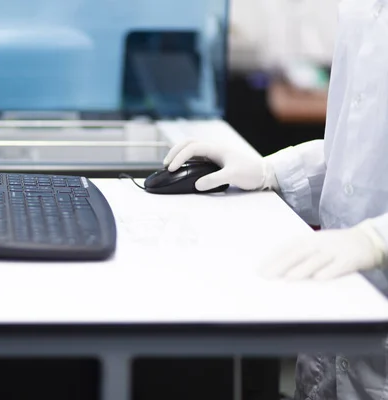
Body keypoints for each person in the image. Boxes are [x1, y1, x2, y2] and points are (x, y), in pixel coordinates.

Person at [164, 0, 388, 399]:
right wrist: (272, 172)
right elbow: (359, 156)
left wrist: (376, 239)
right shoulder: (363, 9)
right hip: (336, 333)